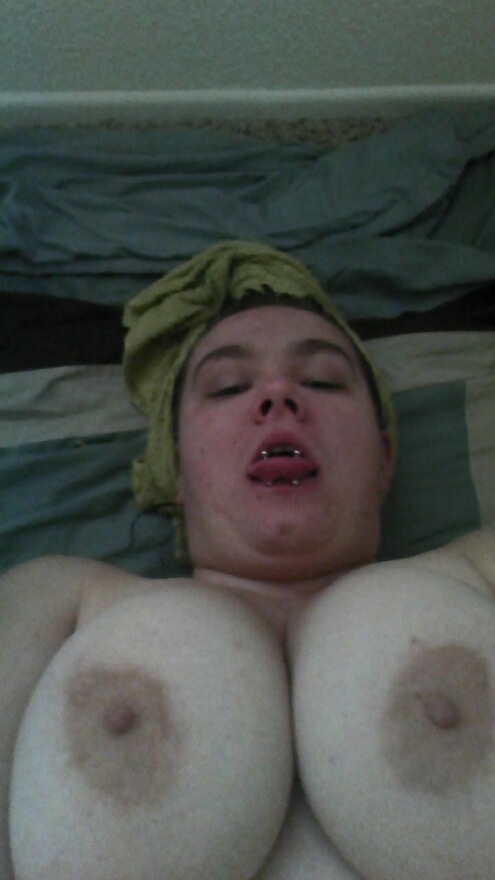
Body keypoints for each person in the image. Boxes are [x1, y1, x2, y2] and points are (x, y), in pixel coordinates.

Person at [1, 241, 494, 880]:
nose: (279, 394)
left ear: (385, 458)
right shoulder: (63, 598)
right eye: (228, 387)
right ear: (175, 470)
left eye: (322, 380)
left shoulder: (481, 568)